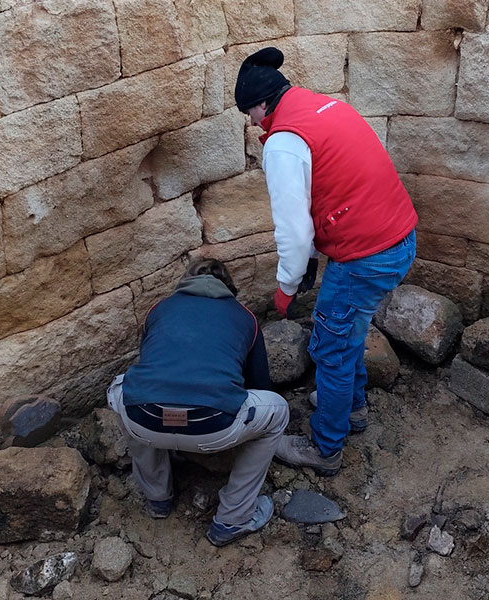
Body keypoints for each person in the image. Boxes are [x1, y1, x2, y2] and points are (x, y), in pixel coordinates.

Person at [234, 47, 418, 476]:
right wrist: (315, 262)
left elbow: (294, 231)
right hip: (399, 236)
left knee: (330, 348)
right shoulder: (325, 106)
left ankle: (325, 447)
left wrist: (286, 287)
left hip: (366, 255)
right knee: (348, 329)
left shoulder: (283, 143)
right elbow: (332, 191)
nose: (252, 122)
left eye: (250, 113)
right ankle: (351, 409)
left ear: (263, 104)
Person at [106, 259, 289, 546]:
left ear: (185, 282)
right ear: (229, 287)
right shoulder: (244, 317)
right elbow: (259, 385)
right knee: (278, 411)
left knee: (126, 391)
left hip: (145, 420)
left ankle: (157, 498)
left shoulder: (159, 309)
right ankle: (233, 518)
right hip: (213, 426)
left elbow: (151, 365)